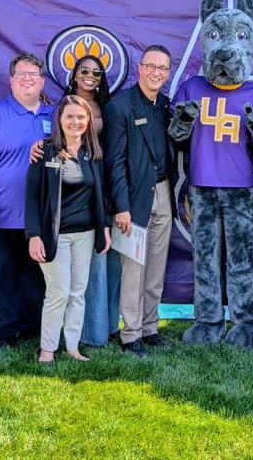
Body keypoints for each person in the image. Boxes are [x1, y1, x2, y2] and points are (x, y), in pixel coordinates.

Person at [0, 52, 54, 347]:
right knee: (0, 277)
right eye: (21, 75)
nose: (28, 79)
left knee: (34, 280)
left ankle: (32, 329)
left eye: (33, 75)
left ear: (42, 81)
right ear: (11, 80)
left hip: (37, 220)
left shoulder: (54, 117)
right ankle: (1, 334)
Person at [25, 96, 111, 362]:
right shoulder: (45, 152)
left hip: (85, 235)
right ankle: (47, 349)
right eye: (69, 117)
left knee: (78, 292)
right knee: (58, 291)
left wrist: (104, 228)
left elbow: (101, 196)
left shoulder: (93, 154)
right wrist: (33, 235)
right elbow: (31, 196)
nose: (75, 122)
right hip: (55, 237)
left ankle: (72, 347)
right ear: (59, 121)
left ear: (88, 122)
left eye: (81, 117)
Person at [105, 46, 177, 358]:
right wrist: (120, 205)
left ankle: (150, 328)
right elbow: (115, 162)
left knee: (156, 268)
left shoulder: (166, 105)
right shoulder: (120, 106)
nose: (157, 73)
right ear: (140, 68)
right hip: (133, 198)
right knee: (133, 269)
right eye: (152, 66)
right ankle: (130, 334)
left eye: (163, 68)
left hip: (163, 192)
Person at [64, 55, 120, 348]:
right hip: (77, 188)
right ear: (74, 75)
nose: (90, 76)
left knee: (109, 261)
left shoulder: (109, 107)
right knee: (84, 266)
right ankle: (88, 333)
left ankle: (108, 325)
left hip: (106, 183)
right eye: (84, 71)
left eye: (96, 72)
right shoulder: (64, 107)